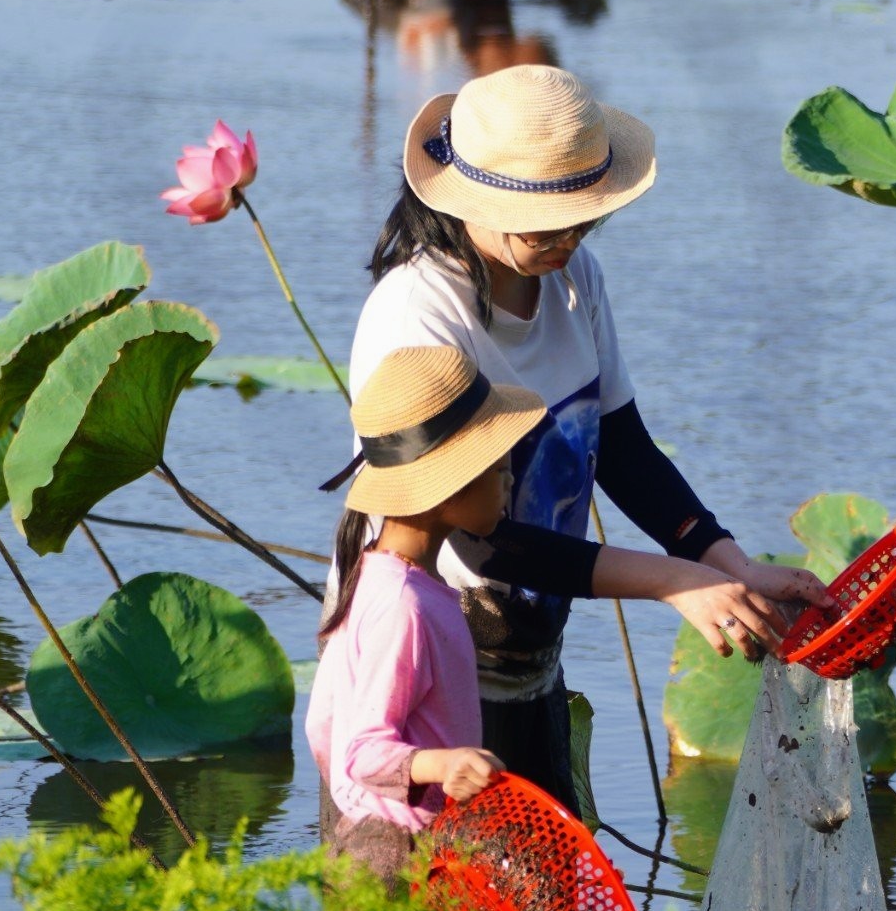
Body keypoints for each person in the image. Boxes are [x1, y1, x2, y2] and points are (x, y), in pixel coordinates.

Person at [339, 62, 832, 810]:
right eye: (550, 221)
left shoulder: (575, 279)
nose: (571, 235)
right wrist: (673, 582)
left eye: (586, 215)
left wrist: (724, 561)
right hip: (429, 677)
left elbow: (624, 447)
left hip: (529, 653)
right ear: (475, 198)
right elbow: (481, 539)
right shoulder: (419, 314)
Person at [307, 343, 548, 891]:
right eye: (501, 469)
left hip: (380, 840)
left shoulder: (374, 578)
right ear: (448, 484)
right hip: (402, 859)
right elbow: (363, 752)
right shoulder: (403, 604)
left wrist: (357, 808)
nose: (511, 484)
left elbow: (321, 725)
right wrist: (442, 765)